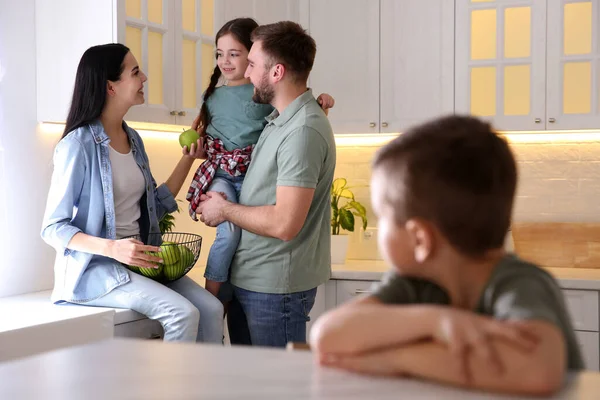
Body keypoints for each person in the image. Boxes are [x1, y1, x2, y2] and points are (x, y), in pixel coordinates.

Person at [309, 115, 584, 396]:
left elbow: (537, 371)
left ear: (420, 239)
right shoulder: (414, 285)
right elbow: (327, 336)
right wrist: (434, 321)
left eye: (383, 217)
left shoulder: (520, 282)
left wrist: (396, 359)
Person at [41, 43, 223, 343]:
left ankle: (206, 386)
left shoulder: (133, 139)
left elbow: (156, 203)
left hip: (143, 263)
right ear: (110, 86)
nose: (145, 78)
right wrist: (113, 248)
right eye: (135, 72)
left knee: (212, 309)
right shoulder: (78, 145)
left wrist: (189, 157)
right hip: (97, 270)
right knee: (183, 313)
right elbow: (53, 228)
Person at [197, 21, 335, 347]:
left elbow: (285, 224)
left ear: (276, 73)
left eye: (253, 64)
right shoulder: (277, 121)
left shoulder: (302, 131)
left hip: (276, 289)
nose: (245, 74)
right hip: (253, 281)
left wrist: (224, 209)